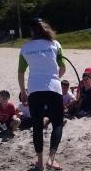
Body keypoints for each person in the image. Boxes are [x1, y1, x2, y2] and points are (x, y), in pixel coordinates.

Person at [18, 18, 66, 170]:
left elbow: (20, 73)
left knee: (37, 126)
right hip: (54, 88)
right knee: (57, 123)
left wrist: (23, 91)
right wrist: (55, 78)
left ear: (32, 31)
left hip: (34, 89)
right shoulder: (55, 44)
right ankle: (51, 159)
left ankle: (40, 162)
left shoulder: (25, 48)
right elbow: (63, 67)